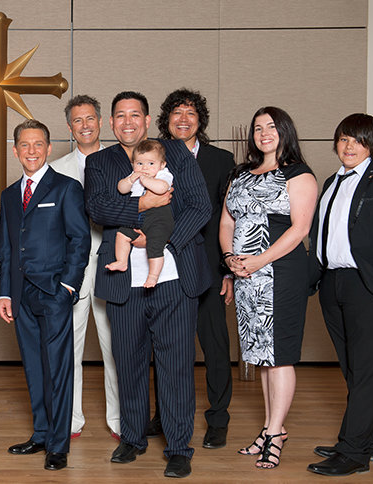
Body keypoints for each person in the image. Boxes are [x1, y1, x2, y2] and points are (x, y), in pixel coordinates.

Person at [85, 91, 210, 479]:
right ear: (111, 123)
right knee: (129, 362)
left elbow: (200, 206)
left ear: (147, 119)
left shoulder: (176, 153)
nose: (128, 122)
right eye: (120, 115)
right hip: (123, 280)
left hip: (173, 277)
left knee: (175, 366)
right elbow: (98, 208)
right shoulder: (100, 162)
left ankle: (178, 447)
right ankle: (133, 437)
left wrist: (162, 240)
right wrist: (144, 207)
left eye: (135, 115)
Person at [306, 114, 373, 477]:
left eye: (358, 139)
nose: (349, 146)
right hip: (332, 283)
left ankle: (352, 452)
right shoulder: (331, 182)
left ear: (372, 145)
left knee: (365, 371)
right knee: (354, 371)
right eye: (343, 139)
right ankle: (371, 442)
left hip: (368, 287)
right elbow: (320, 236)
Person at [219, 106, 317, 469]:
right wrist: (229, 259)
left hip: (280, 273)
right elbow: (226, 221)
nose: (264, 133)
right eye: (258, 128)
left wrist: (259, 261)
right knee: (262, 355)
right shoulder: (239, 174)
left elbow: (300, 229)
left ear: (285, 131)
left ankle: (275, 433)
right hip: (245, 276)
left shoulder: (298, 174)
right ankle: (270, 426)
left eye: (271, 126)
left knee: (280, 354)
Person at [0, 119, 90, 471]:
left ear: (49, 148)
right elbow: (7, 249)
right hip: (21, 296)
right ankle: (40, 434)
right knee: (34, 368)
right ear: (15, 150)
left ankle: (58, 444)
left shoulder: (66, 188)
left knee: (58, 370)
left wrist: (68, 286)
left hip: (54, 293)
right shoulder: (9, 195)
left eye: (38, 144)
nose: (31, 150)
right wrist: (4, 294)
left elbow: (80, 240)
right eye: (25, 144)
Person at [151, 88, 236, 448]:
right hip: (164, 266)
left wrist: (228, 270)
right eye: (176, 113)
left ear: (200, 121)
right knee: (165, 346)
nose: (183, 120)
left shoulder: (221, 159)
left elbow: (231, 218)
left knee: (215, 346)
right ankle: (163, 415)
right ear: (166, 120)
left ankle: (218, 418)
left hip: (209, 267)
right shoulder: (153, 154)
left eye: (190, 113)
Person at [49, 95, 120, 440]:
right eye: (77, 120)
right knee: (70, 346)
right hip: (72, 268)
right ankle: (71, 419)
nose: (85, 125)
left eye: (90, 118)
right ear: (69, 127)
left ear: (101, 122)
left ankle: (119, 419)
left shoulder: (120, 161)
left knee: (114, 345)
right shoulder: (56, 169)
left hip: (112, 263)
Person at [105, 140, 174, 289]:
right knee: (122, 235)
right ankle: (122, 261)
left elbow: (162, 188)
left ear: (162, 164)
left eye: (151, 163)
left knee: (154, 245)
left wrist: (145, 180)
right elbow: (122, 189)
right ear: (133, 164)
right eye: (139, 163)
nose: (144, 168)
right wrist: (130, 179)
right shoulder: (134, 175)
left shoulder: (163, 174)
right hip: (137, 216)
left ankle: (153, 276)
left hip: (159, 218)